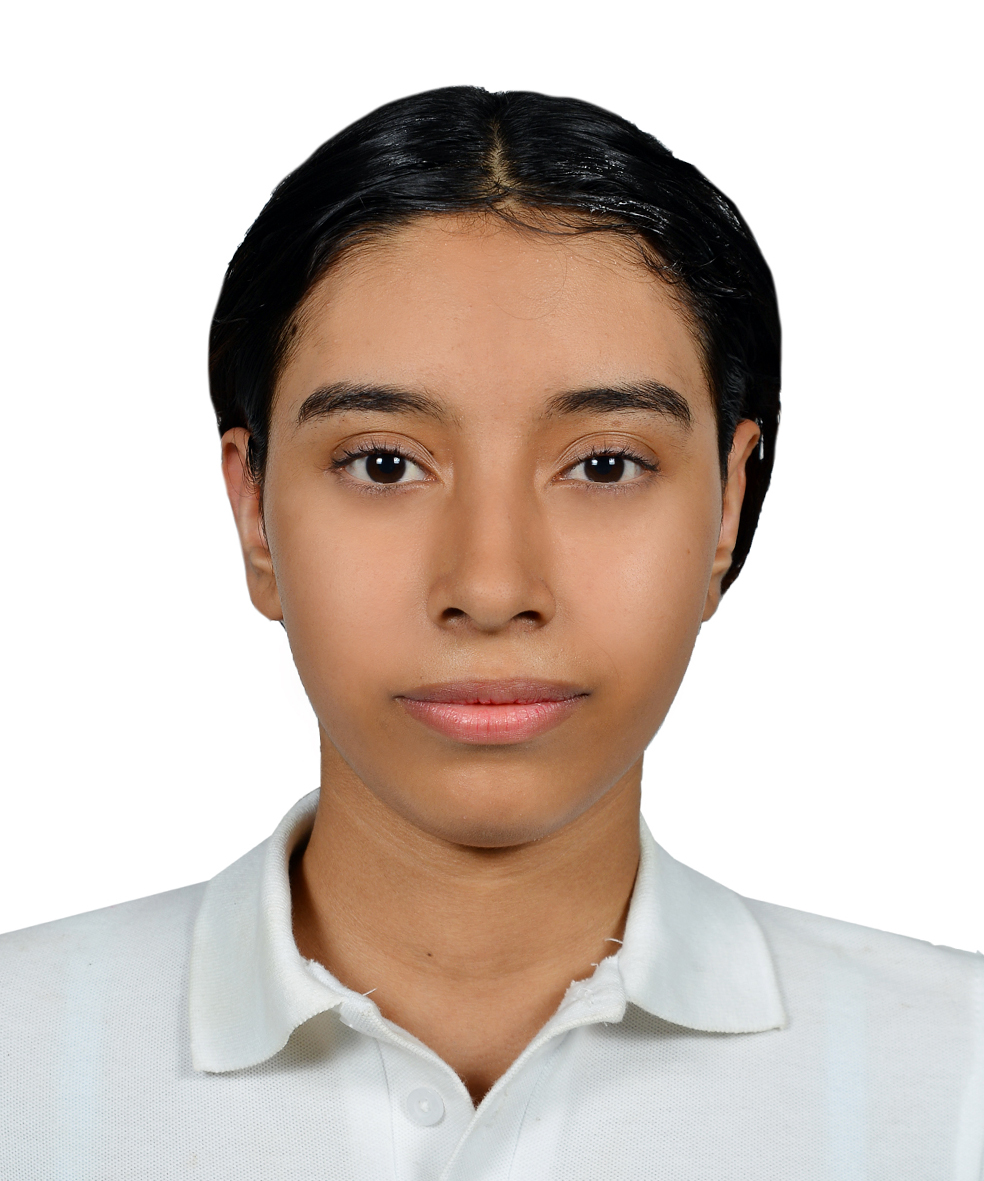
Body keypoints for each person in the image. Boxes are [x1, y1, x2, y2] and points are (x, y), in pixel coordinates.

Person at [1, 85, 981, 1180]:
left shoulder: (956, 1080)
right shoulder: (20, 1061)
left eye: (604, 464)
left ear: (726, 506)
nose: (492, 585)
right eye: (384, 463)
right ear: (255, 514)